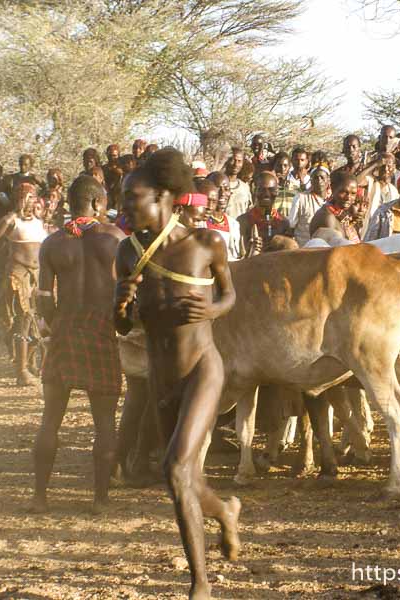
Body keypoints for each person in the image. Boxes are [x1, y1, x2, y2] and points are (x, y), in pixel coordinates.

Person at [114, 147, 240, 600]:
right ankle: (224, 511)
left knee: (173, 467)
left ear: (164, 197)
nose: (125, 207)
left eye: (133, 198)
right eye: (124, 199)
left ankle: (200, 585)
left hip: (203, 369)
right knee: (183, 478)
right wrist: (120, 303)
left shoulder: (207, 244)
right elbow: (122, 326)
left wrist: (213, 309)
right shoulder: (127, 253)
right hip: (160, 377)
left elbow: (229, 296)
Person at [33, 174, 125, 513]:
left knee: (50, 419)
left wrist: (57, 325)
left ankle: (39, 498)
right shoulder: (116, 239)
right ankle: (100, 500)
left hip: (65, 331)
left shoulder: (53, 243)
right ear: (98, 203)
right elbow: (129, 294)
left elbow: (44, 299)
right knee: (105, 423)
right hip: (102, 331)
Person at [0, 182, 47, 385]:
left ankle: (27, 363)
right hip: (18, 275)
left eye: (34, 196)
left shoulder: (39, 222)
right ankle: (21, 371)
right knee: (22, 321)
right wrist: (11, 215)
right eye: (28, 196)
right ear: (20, 198)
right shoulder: (13, 220)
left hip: (36, 276)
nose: (32, 200)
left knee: (35, 323)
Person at [238, 171, 290, 249]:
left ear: (277, 192)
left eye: (271, 190)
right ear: (254, 190)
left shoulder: (283, 222)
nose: (266, 194)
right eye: (262, 189)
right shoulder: (243, 221)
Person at [308, 171, 361, 243]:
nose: (348, 197)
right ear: (333, 188)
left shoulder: (343, 213)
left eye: (353, 193)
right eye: (343, 192)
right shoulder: (328, 217)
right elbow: (334, 248)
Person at [355, 153, 399, 239]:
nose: (386, 169)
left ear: (394, 168)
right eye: (383, 166)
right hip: (369, 227)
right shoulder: (371, 182)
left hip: (386, 230)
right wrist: (375, 164)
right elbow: (356, 181)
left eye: (389, 166)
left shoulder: (394, 190)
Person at [199, 178, 242, 261]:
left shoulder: (234, 224)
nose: (222, 193)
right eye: (217, 188)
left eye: (226, 189)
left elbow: (235, 257)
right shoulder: (199, 222)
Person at [288, 165, 329, 247]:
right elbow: (291, 225)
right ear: (311, 181)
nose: (319, 180)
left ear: (328, 180)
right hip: (305, 248)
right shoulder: (300, 198)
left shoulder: (333, 200)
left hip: (327, 248)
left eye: (322, 177)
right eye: (316, 178)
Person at [222, 148, 252, 220]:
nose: (236, 164)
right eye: (233, 160)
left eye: (239, 161)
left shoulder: (245, 187)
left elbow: (249, 210)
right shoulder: (219, 184)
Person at [272, 152, 295, 217]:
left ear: (289, 167)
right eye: (279, 165)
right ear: (274, 166)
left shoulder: (294, 187)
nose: (282, 169)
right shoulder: (268, 187)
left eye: (285, 165)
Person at [102, 144, 122, 209]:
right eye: (110, 155)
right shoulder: (103, 169)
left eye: (114, 155)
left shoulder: (123, 168)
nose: (112, 158)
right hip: (106, 198)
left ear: (119, 155)